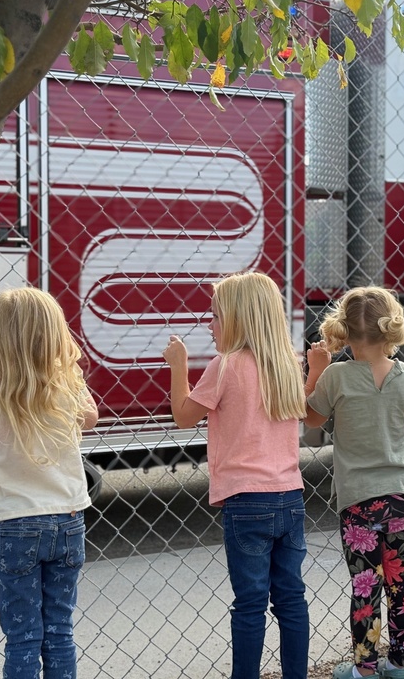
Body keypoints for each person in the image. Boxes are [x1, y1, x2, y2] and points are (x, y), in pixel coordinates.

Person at [162, 271, 310, 679]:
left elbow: (182, 416)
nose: (209, 325)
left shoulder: (223, 366)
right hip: (290, 497)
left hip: (246, 502)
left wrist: (178, 366)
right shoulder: (287, 364)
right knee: (292, 598)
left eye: (215, 316)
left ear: (240, 319)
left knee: (249, 603)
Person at [0, 287, 98, 679]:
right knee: (59, 631)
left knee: (22, 636)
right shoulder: (65, 384)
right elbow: (91, 419)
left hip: (16, 524)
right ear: (54, 336)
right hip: (67, 521)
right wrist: (66, 375)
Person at [304, 287, 404, 679]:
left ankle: (365, 669)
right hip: (401, 496)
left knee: (365, 584)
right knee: (399, 579)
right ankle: (400, 664)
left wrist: (317, 369)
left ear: (343, 330)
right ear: (391, 329)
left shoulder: (337, 377)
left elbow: (310, 420)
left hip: (359, 501)